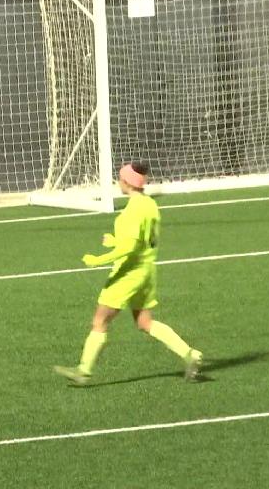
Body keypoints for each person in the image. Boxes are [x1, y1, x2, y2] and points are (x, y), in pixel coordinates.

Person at [54, 162, 204, 386]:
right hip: (146, 271)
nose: (117, 182)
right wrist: (115, 240)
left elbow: (130, 248)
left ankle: (83, 371)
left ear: (127, 182)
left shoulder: (133, 210)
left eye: (120, 178)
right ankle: (190, 354)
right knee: (145, 322)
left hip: (129, 273)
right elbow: (141, 240)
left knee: (100, 320)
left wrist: (98, 259)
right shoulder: (150, 205)